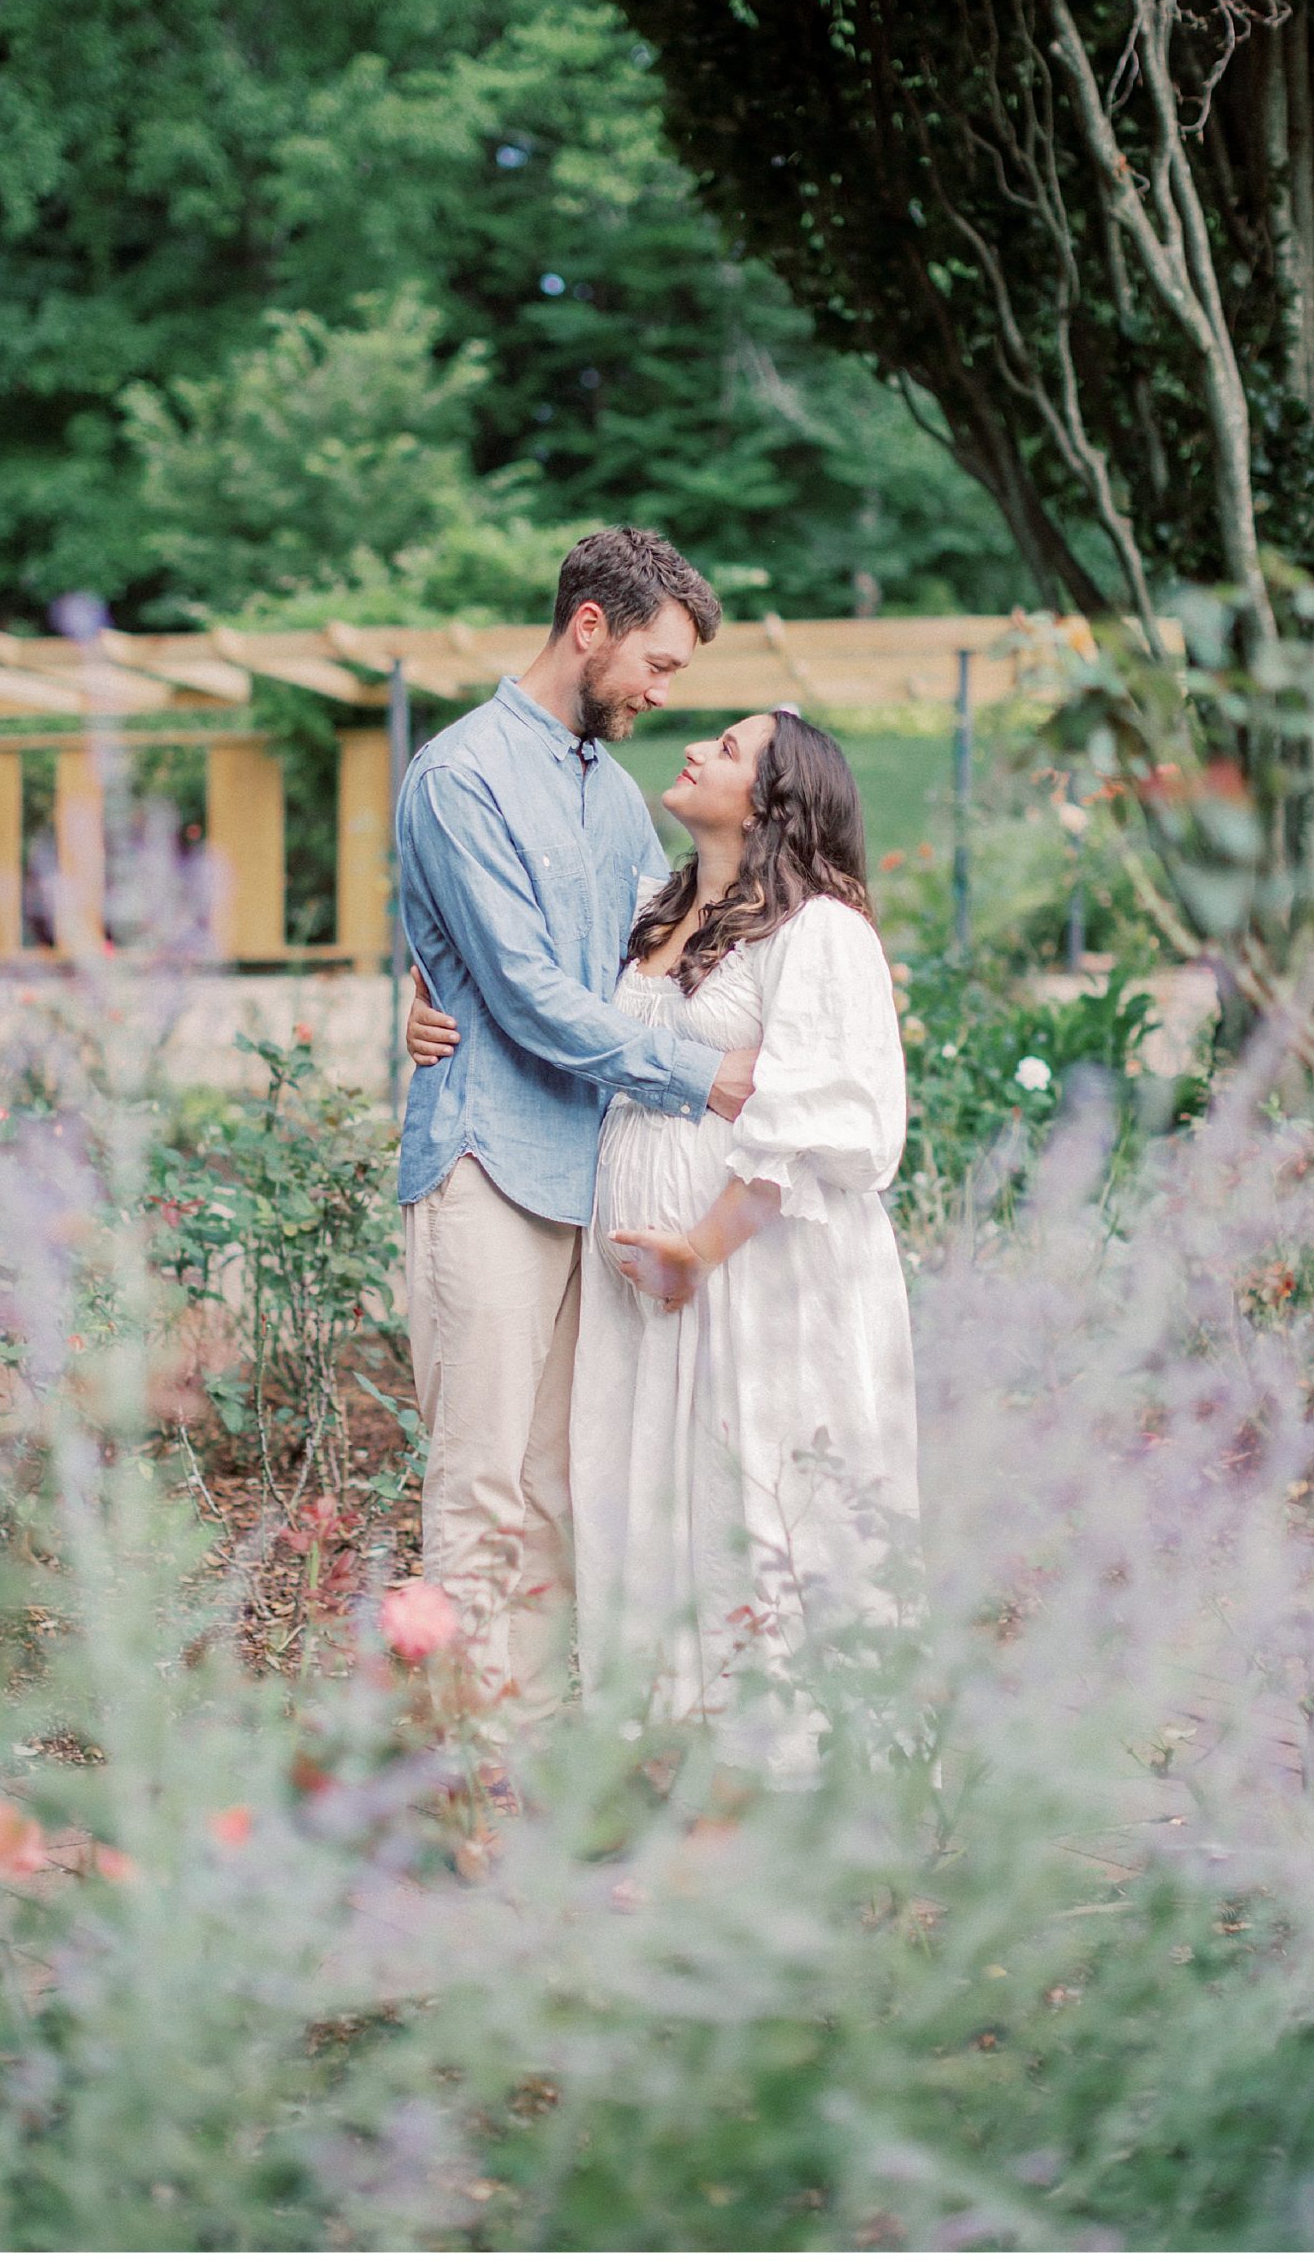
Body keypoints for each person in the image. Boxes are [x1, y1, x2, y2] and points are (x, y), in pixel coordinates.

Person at [410, 707, 919, 1787]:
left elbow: (835, 1116)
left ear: (774, 801)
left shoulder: (817, 931)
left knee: (751, 1502)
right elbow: (527, 985)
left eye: (728, 749)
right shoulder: (655, 909)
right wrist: (416, 1006)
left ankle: (785, 1780)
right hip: (645, 1283)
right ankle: (678, 1764)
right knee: (651, 1503)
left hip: (749, 1276)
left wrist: (703, 1244)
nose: (693, 748)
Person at [393, 525, 756, 1736]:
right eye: (656, 664)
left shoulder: (609, 795)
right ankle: (474, 1790)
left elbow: (647, 952)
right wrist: (706, 1077)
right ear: (588, 627)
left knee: (553, 1490)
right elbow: (535, 998)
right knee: (481, 1489)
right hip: (487, 1167)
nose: (664, 695)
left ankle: (534, 1761)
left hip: (586, 1175)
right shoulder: (461, 775)